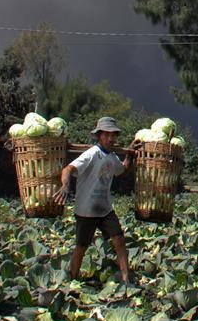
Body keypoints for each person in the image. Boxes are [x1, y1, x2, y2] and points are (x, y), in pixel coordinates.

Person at [54, 116, 136, 282]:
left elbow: (122, 170)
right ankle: (71, 279)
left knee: (119, 240)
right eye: (106, 135)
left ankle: (127, 279)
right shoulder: (91, 154)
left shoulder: (112, 157)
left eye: (113, 135)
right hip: (86, 209)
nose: (110, 138)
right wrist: (65, 186)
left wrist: (130, 155)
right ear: (99, 136)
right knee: (82, 246)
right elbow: (68, 169)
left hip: (104, 209)